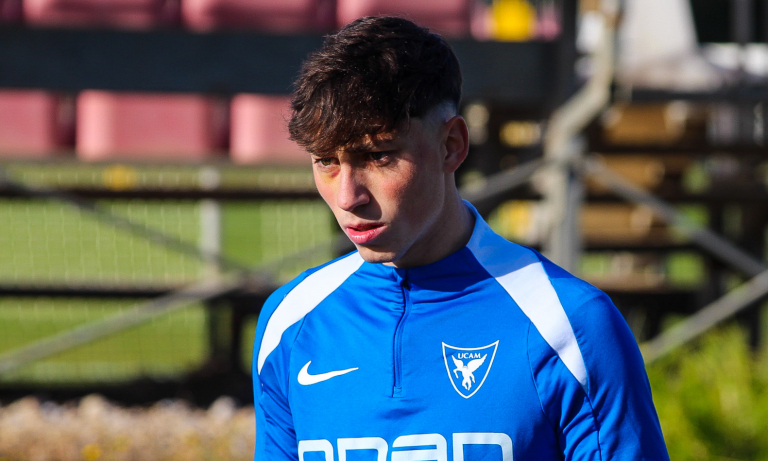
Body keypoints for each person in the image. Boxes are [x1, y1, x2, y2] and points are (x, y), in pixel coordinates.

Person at [252, 16, 669, 461]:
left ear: (451, 145)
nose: (347, 196)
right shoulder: (290, 323)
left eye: (377, 156)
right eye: (325, 162)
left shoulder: (571, 327)